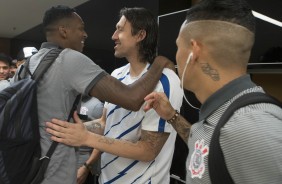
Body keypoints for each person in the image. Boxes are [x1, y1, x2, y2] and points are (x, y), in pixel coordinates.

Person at [10, 5, 172, 184]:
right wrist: (160, 62)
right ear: (64, 31)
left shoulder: (25, 66)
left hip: (25, 166)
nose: (85, 34)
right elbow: (133, 99)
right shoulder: (69, 58)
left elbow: (103, 122)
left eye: (119, 29)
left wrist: (82, 131)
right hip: (54, 172)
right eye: (80, 28)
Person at [142, 0, 282, 183]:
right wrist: (172, 117)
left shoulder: (252, 130)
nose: (176, 56)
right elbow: (209, 144)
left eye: (178, 46)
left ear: (194, 50)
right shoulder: (228, 117)